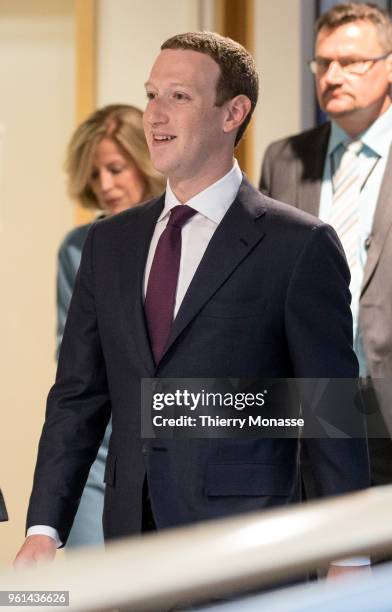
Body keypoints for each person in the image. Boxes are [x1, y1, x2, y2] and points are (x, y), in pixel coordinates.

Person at [16, 32, 369, 583]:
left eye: (177, 96)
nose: (154, 113)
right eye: (151, 94)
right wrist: (44, 529)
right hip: (132, 540)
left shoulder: (298, 245)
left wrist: (349, 553)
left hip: (252, 547)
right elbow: (78, 397)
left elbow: (329, 412)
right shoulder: (108, 244)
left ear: (233, 112)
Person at [259, 2, 392, 489]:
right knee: (327, 555)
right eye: (323, 63)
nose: (334, 75)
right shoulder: (286, 159)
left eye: (352, 61)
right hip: (314, 400)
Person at [57, 104, 165, 547]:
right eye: (94, 174)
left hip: (180, 447)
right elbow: (76, 366)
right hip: (101, 452)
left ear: (143, 162)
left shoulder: (197, 234)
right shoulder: (77, 250)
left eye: (116, 169)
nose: (105, 185)